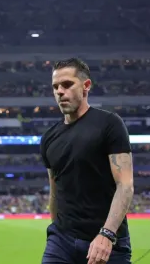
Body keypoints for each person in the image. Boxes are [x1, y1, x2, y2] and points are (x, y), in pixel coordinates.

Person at [40, 58, 134, 264]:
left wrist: (107, 234)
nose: (59, 91)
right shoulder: (49, 138)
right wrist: (56, 229)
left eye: (67, 84)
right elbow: (55, 191)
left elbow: (125, 185)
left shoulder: (109, 124)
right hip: (61, 242)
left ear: (86, 86)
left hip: (107, 242)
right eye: (55, 87)